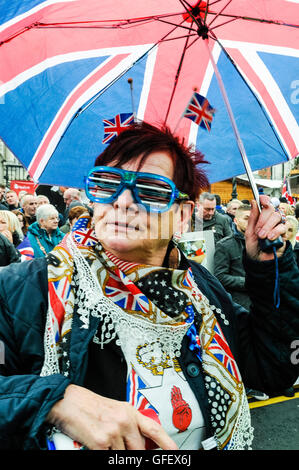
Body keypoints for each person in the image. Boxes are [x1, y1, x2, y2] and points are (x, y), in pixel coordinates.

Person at [0, 122, 299, 451]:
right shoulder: (20, 291)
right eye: (107, 183)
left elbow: (272, 370)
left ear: (183, 216)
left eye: (152, 190)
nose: (123, 201)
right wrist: (56, 401)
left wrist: (270, 267)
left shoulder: (201, 289)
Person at [213, 204, 251, 310]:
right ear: (236, 221)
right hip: (241, 304)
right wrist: (248, 282)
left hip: (262, 301)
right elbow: (220, 276)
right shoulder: (224, 245)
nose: (251, 222)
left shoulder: (262, 243)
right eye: (246, 218)